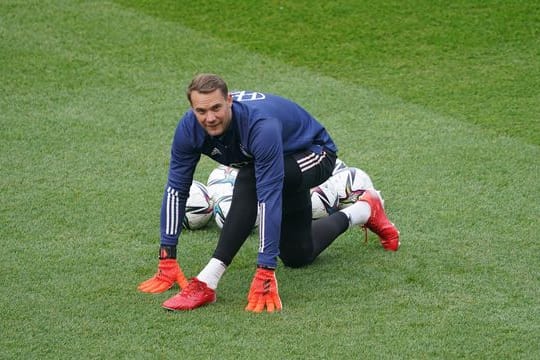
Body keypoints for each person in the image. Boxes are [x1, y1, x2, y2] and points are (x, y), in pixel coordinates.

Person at [138, 74, 400, 313]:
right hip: (275, 158)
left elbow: (268, 196)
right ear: (192, 109)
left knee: (250, 179)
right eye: (201, 111)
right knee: (298, 254)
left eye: (216, 108)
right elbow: (176, 188)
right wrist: (167, 258)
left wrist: (265, 269)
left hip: (313, 153)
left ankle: (207, 281)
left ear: (229, 101)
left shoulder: (259, 126)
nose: (210, 118)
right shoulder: (189, 128)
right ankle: (365, 208)